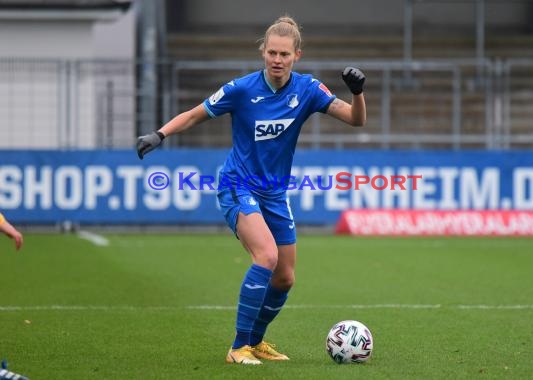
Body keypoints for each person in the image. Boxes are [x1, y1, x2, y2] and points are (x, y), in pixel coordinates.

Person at [136, 15, 366, 365]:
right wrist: (160, 134)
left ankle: (256, 342)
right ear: (263, 52)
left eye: (284, 54)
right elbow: (196, 114)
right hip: (237, 185)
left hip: (274, 193)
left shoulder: (307, 90)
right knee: (267, 257)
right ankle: (237, 347)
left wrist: (358, 93)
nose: (277, 59)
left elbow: (355, 119)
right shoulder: (241, 89)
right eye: (272, 52)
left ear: (296, 56)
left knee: (285, 277)